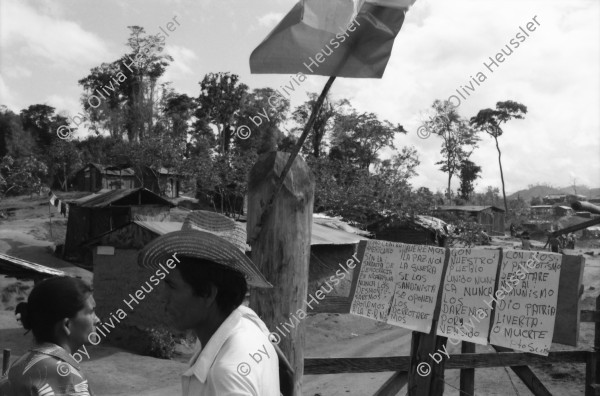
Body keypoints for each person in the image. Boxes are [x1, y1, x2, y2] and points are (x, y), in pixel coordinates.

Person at [137, 211, 281, 396]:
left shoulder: (227, 374)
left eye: (172, 286)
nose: (163, 297)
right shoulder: (243, 326)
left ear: (208, 293)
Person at [0, 276, 99, 396]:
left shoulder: (18, 366)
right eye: (91, 312)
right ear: (67, 325)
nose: (97, 320)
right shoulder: (65, 378)